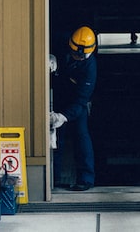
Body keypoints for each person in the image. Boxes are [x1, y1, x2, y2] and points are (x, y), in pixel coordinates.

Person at [50, 26, 98, 191]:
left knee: (81, 136)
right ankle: (52, 179)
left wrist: (62, 117)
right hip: (57, 92)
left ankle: (86, 178)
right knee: (55, 139)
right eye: (73, 52)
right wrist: (50, 56)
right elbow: (41, 41)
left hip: (76, 101)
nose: (75, 56)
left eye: (79, 55)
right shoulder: (60, 38)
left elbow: (81, 101)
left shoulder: (90, 68)